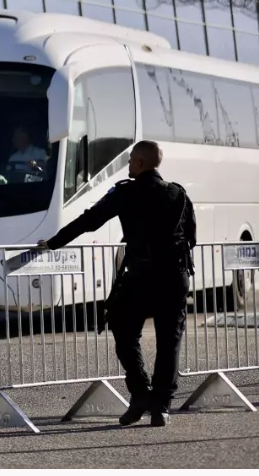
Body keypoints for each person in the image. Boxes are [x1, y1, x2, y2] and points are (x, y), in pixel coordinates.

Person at [38, 140, 195, 428]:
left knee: (123, 328)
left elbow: (89, 221)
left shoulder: (126, 193)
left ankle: (139, 393)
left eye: (131, 160)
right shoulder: (178, 194)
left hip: (141, 276)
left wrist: (53, 243)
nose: (127, 165)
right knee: (169, 342)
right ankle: (160, 406)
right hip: (175, 277)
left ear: (140, 163)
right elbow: (191, 237)